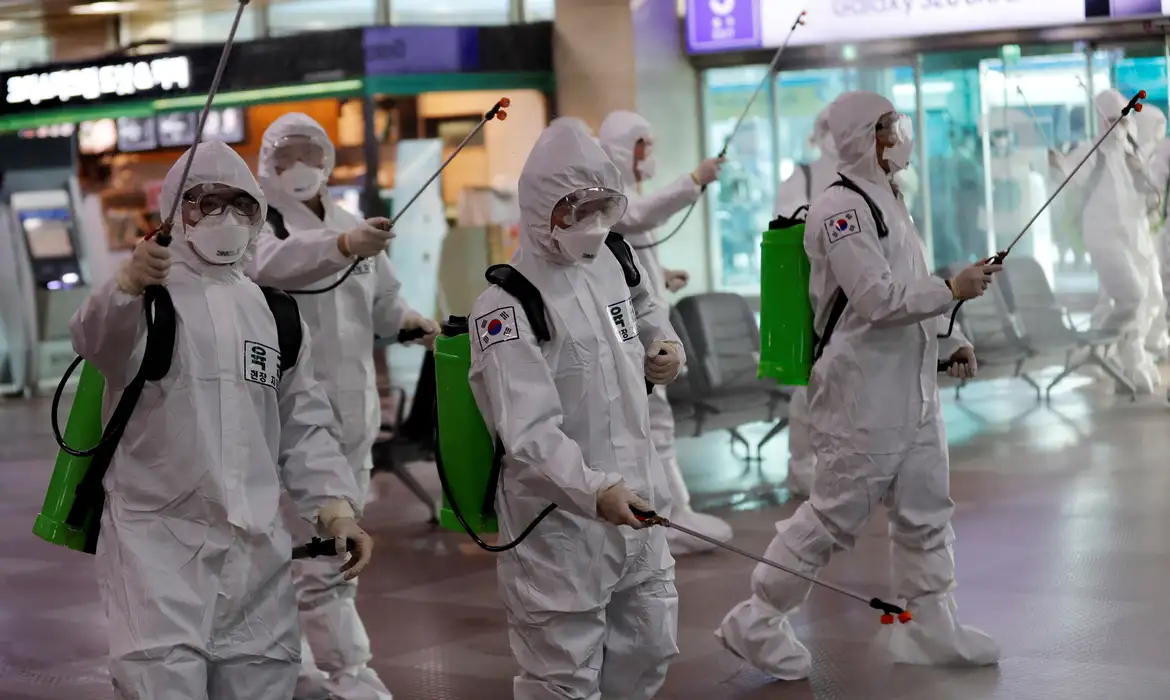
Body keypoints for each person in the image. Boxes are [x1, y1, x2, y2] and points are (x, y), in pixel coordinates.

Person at [69, 140, 374, 700]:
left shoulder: (276, 314)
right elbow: (93, 339)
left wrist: (334, 506)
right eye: (206, 203)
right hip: (157, 555)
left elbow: (304, 422)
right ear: (174, 211)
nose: (225, 218)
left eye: (241, 205)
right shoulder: (148, 302)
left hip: (257, 559)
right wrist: (125, 285)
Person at [715, 91, 1001, 680]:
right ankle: (759, 616)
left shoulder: (892, 197)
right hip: (862, 395)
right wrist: (953, 288)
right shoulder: (838, 210)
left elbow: (912, 281)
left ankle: (930, 623)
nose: (901, 134)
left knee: (925, 509)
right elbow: (875, 298)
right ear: (864, 136)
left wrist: (951, 340)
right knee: (833, 515)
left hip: (913, 389)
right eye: (890, 125)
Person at [468, 119, 684, 699]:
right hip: (559, 523)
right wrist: (594, 491)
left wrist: (663, 346)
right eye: (573, 208)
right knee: (562, 673)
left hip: (637, 500)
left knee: (651, 642)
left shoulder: (611, 260)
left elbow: (644, 308)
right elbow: (530, 432)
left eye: (600, 205)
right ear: (540, 208)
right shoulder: (506, 305)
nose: (589, 221)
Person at [245, 112, 439, 700]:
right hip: (282, 420)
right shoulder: (258, 230)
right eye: (286, 156)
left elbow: (382, 305)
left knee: (339, 548)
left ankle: (314, 670)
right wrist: (341, 246)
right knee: (308, 554)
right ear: (266, 165)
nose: (299, 167)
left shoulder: (358, 228)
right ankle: (337, 670)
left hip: (354, 415)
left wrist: (408, 323)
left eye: (311, 153)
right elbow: (274, 265)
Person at [597, 109, 731, 555]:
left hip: (646, 326)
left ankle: (673, 510)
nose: (649, 153)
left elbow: (633, 255)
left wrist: (663, 274)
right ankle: (667, 516)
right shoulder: (611, 194)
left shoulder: (625, 194)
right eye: (643, 144)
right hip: (627, 334)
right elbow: (639, 217)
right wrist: (693, 179)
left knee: (658, 423)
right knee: (651, 424)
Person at [1055, 90, 1158, 392]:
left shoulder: (1132, 153)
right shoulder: (1089, 153)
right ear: (1101, 121)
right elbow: (1067, 178)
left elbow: (1150, 197)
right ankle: (1120, 352)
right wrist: (1058, 165)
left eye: (1124, 119)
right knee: (1133, 295)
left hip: (1135, 238)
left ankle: (1111, 352)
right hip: (1104, 238)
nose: (1120, 125)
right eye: (1113, 119)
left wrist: (1143, 176)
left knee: (1143, 298)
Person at [773, 106, 838, 499]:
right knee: (809, 387)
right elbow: (786, 227)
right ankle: (802, 469)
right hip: (809, 296)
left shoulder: (873, 179)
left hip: (854, 300)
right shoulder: (804, 176)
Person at [1134, 104, 1168, 360]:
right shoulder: (1135, 153)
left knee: (1156, 291)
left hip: (1153, 230)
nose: (1159, 132)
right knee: (1148, 291)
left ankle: (1155, 340)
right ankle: (1137, 345)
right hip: (1138, 232)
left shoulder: (1159, 151)